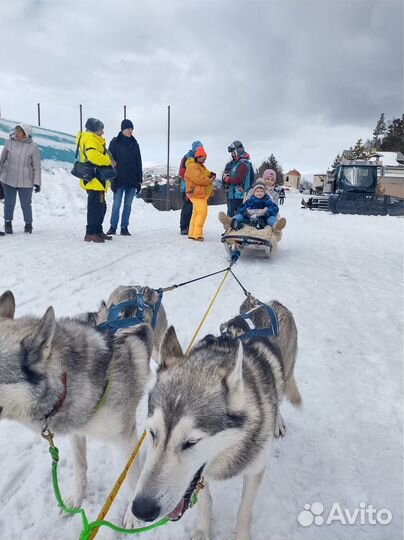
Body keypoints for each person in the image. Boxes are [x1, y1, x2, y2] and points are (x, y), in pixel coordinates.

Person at [0, 124, 41, 234]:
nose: (16, 133)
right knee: (9, 202)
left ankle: (28, 224)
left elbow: (36, 166)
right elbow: (2, 160)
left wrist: (37, 182)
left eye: (19, 131)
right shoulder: (9, 142)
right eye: (16, 131)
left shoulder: (33, 147)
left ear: (25, 134)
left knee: (26, 204)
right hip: (8, 178)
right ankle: (7, 223)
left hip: (26, 181)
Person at [77, 118, 113, 243]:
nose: (102, 132)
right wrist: (108, 161)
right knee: (95, 206)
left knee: (101, 206)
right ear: (95, 129)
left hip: (97, 179)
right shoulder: (90, 139)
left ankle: (97, 230)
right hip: (94, 179)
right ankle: (91, 232)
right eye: (100, 128)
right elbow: (93, 156)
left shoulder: (93, 139)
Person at [106, 119, 142, 236]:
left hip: (132, 180)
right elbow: (110, 162)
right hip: (118, 179)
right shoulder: (115, 143)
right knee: (116, 204)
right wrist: (112, 179)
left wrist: (139, 181)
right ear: (123, 129)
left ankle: (124, 227)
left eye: (132, 129)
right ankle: (113, 227)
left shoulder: (135, 144)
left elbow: (138, 163)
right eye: (129, 129)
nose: (131, 131)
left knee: (128, 205)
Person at [184, 146, 215, 241]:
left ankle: (192, 233)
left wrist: (210, 174)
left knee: (196, 213)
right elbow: (199, 179)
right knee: (202, 212)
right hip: (196, 193)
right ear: (198, 157)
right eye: (203, 158)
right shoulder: (193, 166)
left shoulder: (199, 166)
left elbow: (203, 175)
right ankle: (197, 235)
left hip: (199, 193)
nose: (205, 160)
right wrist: (210, 180)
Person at [222, 140, 255, 217]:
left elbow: (239, 179)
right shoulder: (232, 164)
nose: (231, 154)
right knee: (231, 213)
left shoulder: (243, 164)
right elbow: (226, 175)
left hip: (239, 196)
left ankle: (235, 227)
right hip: (231, 194)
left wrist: (228, 179)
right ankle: (230, 228)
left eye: (232, 152)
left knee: (237, 215)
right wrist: (225, 179)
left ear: (237, 151)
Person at [178, 140, 202, 235]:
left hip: (196, 187)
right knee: (186, 208)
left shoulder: (199, 158)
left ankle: (191, 226)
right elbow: (181, 171)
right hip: (187, 187)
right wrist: (191, 177)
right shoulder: (186, 158)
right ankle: (184, 227)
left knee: (195, 208)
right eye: (198, 148)